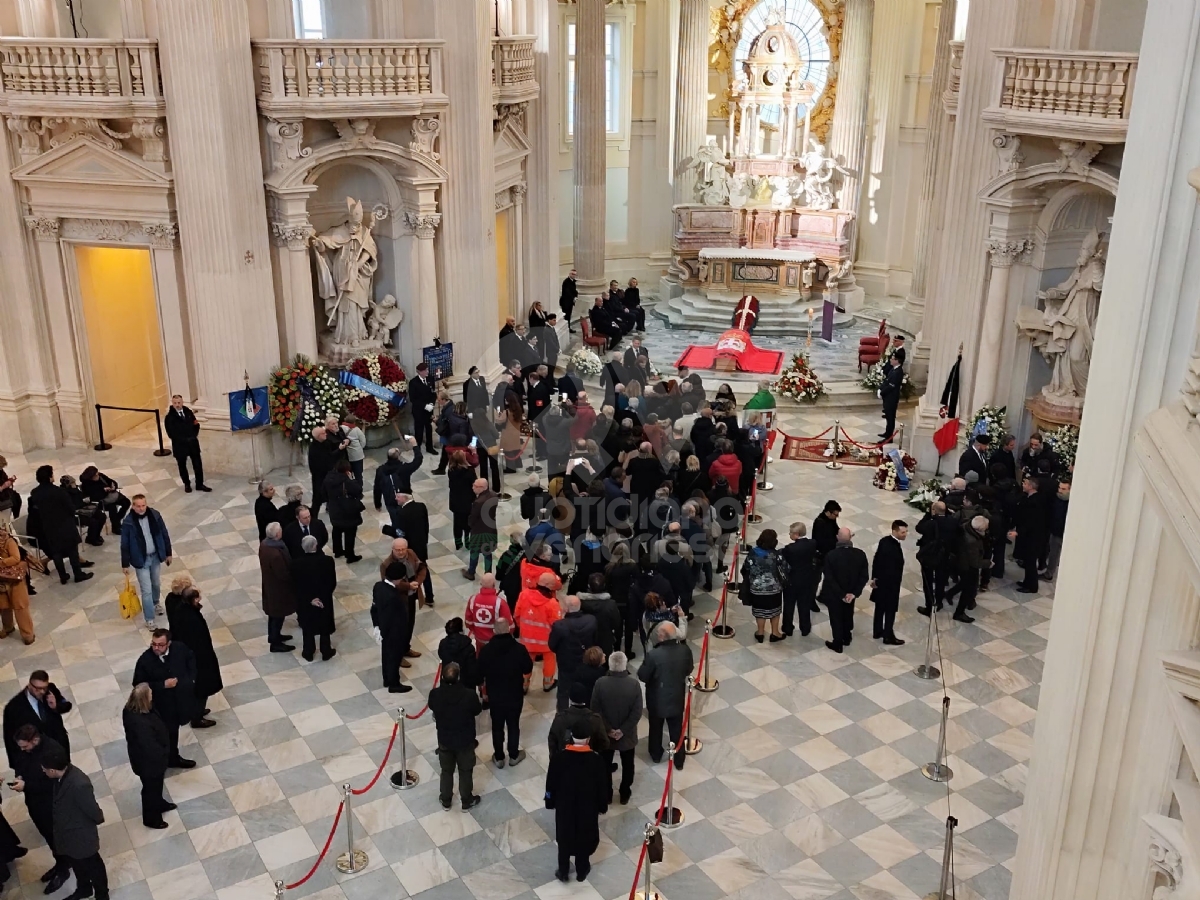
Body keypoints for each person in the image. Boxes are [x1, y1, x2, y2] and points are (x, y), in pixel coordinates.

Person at [41, 744, 108, 900]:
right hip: (68, 834)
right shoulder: (60, 778)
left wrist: (98, 818)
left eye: (44, 769)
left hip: (81, 834)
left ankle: (102, 895)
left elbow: (92, 809)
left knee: (94, 865)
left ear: (52, 770)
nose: (43, 772)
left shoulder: (79, 784)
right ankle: (84, 888)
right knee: (77, 863)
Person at [545, 727, 610, 884]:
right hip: (587, 809)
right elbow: (603, 787)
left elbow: (550, 785)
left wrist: (549, 801)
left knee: (564, 838)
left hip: (565, 807)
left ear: (572, 738)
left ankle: (563, 871)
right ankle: (582, 871)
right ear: (588, 740)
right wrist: (602, 806)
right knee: (584, 837)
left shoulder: (558, 758)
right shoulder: (596, 760)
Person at [10, 724, 69, 890]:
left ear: (34, 740)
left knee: (57, 838)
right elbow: (20, 762)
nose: (22, 750)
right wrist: (19, 775)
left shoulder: (53, 752)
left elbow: (52, 784)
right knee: (49, 837)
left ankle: (64, 869)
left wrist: (26, 786)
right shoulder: (26, 750)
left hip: (51, 805)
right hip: (36, 804)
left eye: (24, 746)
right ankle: (60, 864)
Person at [131, 629, 197, 769]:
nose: (156, 648)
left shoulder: (179, 648)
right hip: (161, 706)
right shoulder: (145, 661)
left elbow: (191, 658)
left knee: (174, 731)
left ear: (169, 643)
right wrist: (162, 685)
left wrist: (190, 679)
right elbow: (139, 685)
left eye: (160, 645)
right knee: (165, 734)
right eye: (153, 644)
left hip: (180, 700)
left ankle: (172, 756)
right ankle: (168, 758)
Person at [427, 662, 482, 811]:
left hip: (445, 739)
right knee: (465, 771)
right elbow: (477, 710)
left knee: (446, 770)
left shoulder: (435, 694)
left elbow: (432, 706)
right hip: (465, 740)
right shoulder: (469, 695)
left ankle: (446, 799)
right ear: (458, 678)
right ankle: (466, 800)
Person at [477, 617, 531, 767]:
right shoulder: (519, 649)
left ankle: (499, 757)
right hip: (514, 694)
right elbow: (528, 668)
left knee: (497, 726)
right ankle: (514, 755)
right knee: (513, 725)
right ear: (509, 629)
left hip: (496, 696)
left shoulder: (486, 651)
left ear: (494, 631)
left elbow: (479, 673)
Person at [638, 622, 692, 769]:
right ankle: (679, 760)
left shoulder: (653, 655)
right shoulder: (685, 650)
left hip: (656, 699)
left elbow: (643, 675)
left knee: (655, 727)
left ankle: (655, 754)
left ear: (662, 636)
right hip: (676, 696)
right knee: (676, 729)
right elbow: (689, 669)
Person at [589, 650, 641, 805]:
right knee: (628, 764)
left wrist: (608, 729)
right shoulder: (634, 684)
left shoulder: (600, 683)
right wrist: (623, 730)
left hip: (606, 734)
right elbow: (637, 711)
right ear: (625, 665)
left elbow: (595, 709)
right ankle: (625, 792)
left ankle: (607, 794)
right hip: (627, 735)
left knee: (605, 765)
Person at [164, 587, 220, 728]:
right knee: (202, 687)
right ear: (193, 599)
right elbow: (198, 640)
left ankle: (197, 711)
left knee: (199, 687)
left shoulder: (182, 610)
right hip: (199, 659)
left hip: (194, 657)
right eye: (198, 598)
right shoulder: (191, 617)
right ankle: (197, 717)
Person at [30, 466, 93, 586]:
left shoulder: (35, 493)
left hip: (49, 526)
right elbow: (70, 508)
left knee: (56, 552)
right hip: (65, 524)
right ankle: (78, 574)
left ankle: (63, 576)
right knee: (72, 550)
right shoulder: (59, 491)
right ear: (49, 477)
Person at [122, 684, 173, 829]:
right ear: (144, 699)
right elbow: (150, 747)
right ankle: (152, 819)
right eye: (150, 693)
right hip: (149, 764)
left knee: (156, 786)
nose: (152, 695)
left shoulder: (134, 709)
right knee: (150, 789)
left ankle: (159, 803)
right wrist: (163, 754)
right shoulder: (140, 722)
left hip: (152, 761)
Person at [121, 494, 171, 628]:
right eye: (138, 506)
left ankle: (156, 603)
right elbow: (124, 543)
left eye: (143, 505)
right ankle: (149, 618)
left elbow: (164, 533)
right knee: (146, 589)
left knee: (156, 583)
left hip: (155, 556)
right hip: (140, 559)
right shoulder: (128, 522)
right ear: (133, 506)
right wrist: (125, 563)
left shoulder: (154, 515)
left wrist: (168, 553)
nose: (141, 508)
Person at [4, 672, 73, 770]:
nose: (41, 692)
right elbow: (10, 739)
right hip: (38, 754)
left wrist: (55, 707)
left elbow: (66, 705)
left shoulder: (50, 690)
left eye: (44, 688)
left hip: (59, 744)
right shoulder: (14, 707)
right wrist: (17, 768)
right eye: (37, 688)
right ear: (29, 685)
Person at [818, 528, 869, 654]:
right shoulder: (860, 554)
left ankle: (838, 643)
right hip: (851, 594)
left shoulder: (831, 555)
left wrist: (841, 594)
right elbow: (864, 576)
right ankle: (847, 636)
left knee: (836, 617)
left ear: (837, 537)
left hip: (835, 594)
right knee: (847, 613)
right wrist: (853, 593)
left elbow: (829, 578)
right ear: (850, 538)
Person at [379, 538, 426, 663]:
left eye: (402, 549)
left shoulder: (411, 554)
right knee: (400, 628)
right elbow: (389, 584)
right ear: (392, 550)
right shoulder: (386, 565)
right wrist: (408, 586)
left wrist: (417, 582)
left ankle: (406, 648)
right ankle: (398, 656)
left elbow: (422, 568)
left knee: (410, 623)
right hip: (398, 600)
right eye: (397, 550)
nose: (400, 552)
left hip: (412, 595)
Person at [548, 596, 598, 712]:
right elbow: (595, 640)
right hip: (586, 663)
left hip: (566, 664)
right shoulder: (591, 620)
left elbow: (552, 645)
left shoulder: (559, 625)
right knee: (587, 690)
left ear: (566, 608)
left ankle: (563, 717)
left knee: (563, 693)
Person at [515, 571, 563, 692]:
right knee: (550, 659)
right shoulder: (552, 604)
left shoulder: (524, 595)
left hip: (527, 640)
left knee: (526, 661)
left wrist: (524, 629)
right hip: (546, 643)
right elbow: (557, 625)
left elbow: (517, 615)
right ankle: (548, 683)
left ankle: (524, 685)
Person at [292, 535, 337, 661]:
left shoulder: (296, 564)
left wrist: (310, 600)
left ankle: (308, 651)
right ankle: (326, 650)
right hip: (324, 600)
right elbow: (331, 582)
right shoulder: (327, 561)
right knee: (324, 624)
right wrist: (321, 598)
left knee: (307, 625)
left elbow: (296, 586)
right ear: (316, 546)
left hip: (306, 602)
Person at [374, 562, 414, 694]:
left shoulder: (378, 586)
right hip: (394, 632)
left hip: (385, 630)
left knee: (386, 655)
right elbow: (391, 617)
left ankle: (387, 678)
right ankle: (394, 683)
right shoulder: (392, 596)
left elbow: (374, 608)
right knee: (394, 657)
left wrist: (377, 626)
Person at [741, 529, 786, 642]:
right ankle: (775, 633)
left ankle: (760, 633)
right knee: (775, 612)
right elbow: (785, 569)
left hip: (757, 588)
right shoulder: (777, 555)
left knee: (759, 611)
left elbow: (746, 568)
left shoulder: (753, 553)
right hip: (774, 589)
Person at [258, 522, 297, 651]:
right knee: (277, 615)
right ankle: (275, 643)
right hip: (278, 589)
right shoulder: (275, 554)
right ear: (277, 534)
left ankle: (274, 636)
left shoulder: (264, 545)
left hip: (271, 585)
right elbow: (283, 574)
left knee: (273, 614)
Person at [869, 521, 908, 645]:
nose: (905, 534)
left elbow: (877, 559)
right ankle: (888, 635)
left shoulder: (884, 541)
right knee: (890, 610)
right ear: (895, 531)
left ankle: (877, 631)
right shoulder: (892, 547)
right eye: (903, 532)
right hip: (890, 585)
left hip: (881, 583)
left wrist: (874, 578)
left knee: (880, 607)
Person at [1010, 475, 1049, 593]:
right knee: (1028, 561)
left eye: (1025, 483)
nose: (1023, 485)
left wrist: (1018, 532)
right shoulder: (1034, 498)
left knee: (1031, 562)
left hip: (1034, 537)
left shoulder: (1034, 502)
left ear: (1031, 486)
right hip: (1032, 536)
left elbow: (1030, 521)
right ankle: (1027, 582)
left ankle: (1032, 586)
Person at [548, 681, 608, 756]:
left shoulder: (560, 719)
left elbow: (552, 741)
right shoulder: (596, 719)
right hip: (589, 760)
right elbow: (604, 743)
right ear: (585, 698)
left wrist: (555, 759)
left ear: (570, 698)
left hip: (565, 760)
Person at [164, 394, 209, 493]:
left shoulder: (188, 412)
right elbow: (171, 433)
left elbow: (196, 424)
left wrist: (193, 436)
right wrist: (183, 439)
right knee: (182, 466)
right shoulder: (169, 417)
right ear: (172, 403)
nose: (177, 405)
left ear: (182, 402)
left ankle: (199, 484)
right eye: (175, 403)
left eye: (179, 402)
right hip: (180, 446)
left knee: (197, 464)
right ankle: (187, 484)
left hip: (192, 443)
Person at [395, 494, 434, 604]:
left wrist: (385, 529)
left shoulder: (401, 513)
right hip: (421, 546)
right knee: (424, 569)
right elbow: (426, 526)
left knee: (410, 572)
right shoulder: (421, 506)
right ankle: (429, 596)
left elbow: (400, 534)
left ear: (404, 498)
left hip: (410, 549)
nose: (396, 499)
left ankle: (413, 594)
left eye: (398, 496)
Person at [915, 501, 953, 615]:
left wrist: (928, 514)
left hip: (930, 555)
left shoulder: (930, 523)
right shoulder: (952, 522)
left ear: (934, 511)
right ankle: (939, 602)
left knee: (928, 580)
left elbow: (919, 528)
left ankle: (929, 606)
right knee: (941, 580)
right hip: (945, 555)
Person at [780, 522, 817, 638]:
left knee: (789, 605)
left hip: (792, 581)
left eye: (791, 532)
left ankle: (787, 628)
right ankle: (805, 628)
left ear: (796, 534)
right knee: (804, 605)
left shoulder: (790, 549)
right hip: (807, 580)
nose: (789, 534)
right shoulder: (812, 544)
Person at [0, 522, 35, 643]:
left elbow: (16, 558)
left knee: (20, 607)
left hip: (14, 580)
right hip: (1, 580)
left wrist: (2, 562)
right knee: (3, 606)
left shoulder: (9, 541)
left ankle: (28, 634)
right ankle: (8, 627)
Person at [323, 460, 364, 563]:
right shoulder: (347, 481)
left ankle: (338, 551)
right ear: (347, 471)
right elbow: (358, 490)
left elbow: (323, 493)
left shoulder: (328, 478)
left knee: (336, 529)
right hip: (348, 511)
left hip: (334, 509)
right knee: (350, 533)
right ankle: (350, 556)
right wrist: (352, 479)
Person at [953, 515, 991, 622]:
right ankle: (959, 613)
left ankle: (950, 595)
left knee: (965, 585)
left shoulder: (966, 527)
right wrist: (988, 563)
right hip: (967, 567)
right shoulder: (972, 541)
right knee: (968, 589)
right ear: (980, 529)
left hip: (962, 562)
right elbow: (975, 562)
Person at [464, 573, 514, 655]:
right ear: (494, 585)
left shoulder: (473, 599)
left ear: (481, 584)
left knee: (480, 658)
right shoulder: (500, 602)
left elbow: (468, 622)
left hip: (479, 640)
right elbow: (509, 626)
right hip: (496, 642)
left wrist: (476, 631)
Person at [78, 466, 131, 535]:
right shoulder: (86, 484)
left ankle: (116, 520)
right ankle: (116, 527)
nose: (98, 475)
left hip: (111, 496)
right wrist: (104, 490)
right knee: (112, 508)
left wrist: (113, 486)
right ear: (91, 477)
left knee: (126, 502)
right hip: (101, 501)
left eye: (97, 473)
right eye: (96, 475)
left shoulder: (100, 476)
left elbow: (111, 481)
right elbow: (94, 497)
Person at [464, 478, 499, 580]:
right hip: (491, 529)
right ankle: (488, 573)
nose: (473, 487)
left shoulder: (478, 502)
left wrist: (469, 523)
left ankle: (471, 572)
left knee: (474, 551)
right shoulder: (493, 495)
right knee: (487, 553)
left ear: (482, 488)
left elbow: (473, 517)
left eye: (475, 486)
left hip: (479, 531)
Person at [306, 426, 341, 521]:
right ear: (317, 436)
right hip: (320, 478)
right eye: (323, 433)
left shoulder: (326, 443)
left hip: (329, 476)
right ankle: (313, 519)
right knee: (317, 500)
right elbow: (318, 465)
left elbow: (330, 456)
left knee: (333, 496)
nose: (326, 433)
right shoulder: (314, 449)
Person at [447, 450, 477, 551]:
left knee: (457, 523)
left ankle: (458, 543)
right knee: (468, 523)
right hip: (467, 500)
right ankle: (468, 542)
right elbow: (474, 484)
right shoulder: (469, 471)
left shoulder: (451, 470)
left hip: (455, 501)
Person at [1043, 480, 1070, 580]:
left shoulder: (1071, 503)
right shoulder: (1056, 499)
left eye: (1063, 489)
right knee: (1053, 553)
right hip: (1055, 530)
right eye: (1059, 488)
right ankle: (1049, 572)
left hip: (1063, 532)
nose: (1060, 490)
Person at [409, 363, 438, 453]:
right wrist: (424, 406)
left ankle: (429, 447)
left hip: (429, 410)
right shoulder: (413, 382)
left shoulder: (430, 379)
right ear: (419, 372)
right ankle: (417, 449)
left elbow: (433, 394)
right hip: (419, 411)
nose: (427, 372)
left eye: (427, 370)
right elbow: (413, 399)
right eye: (425, 370)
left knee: (429, 429)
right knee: (419, 430)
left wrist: (432, 404)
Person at [879, 361, 904, 440]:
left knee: (890, 417)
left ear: (897, 361)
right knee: (888, 416)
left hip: (892, 398)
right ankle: (887, 433)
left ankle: (889, 438)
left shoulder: (898, 372)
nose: (891, 360)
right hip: (888, 397)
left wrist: (882, 392)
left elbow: (891, 386)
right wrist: (880, 388)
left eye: (893, 359)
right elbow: (887, 381)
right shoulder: (893, 369)